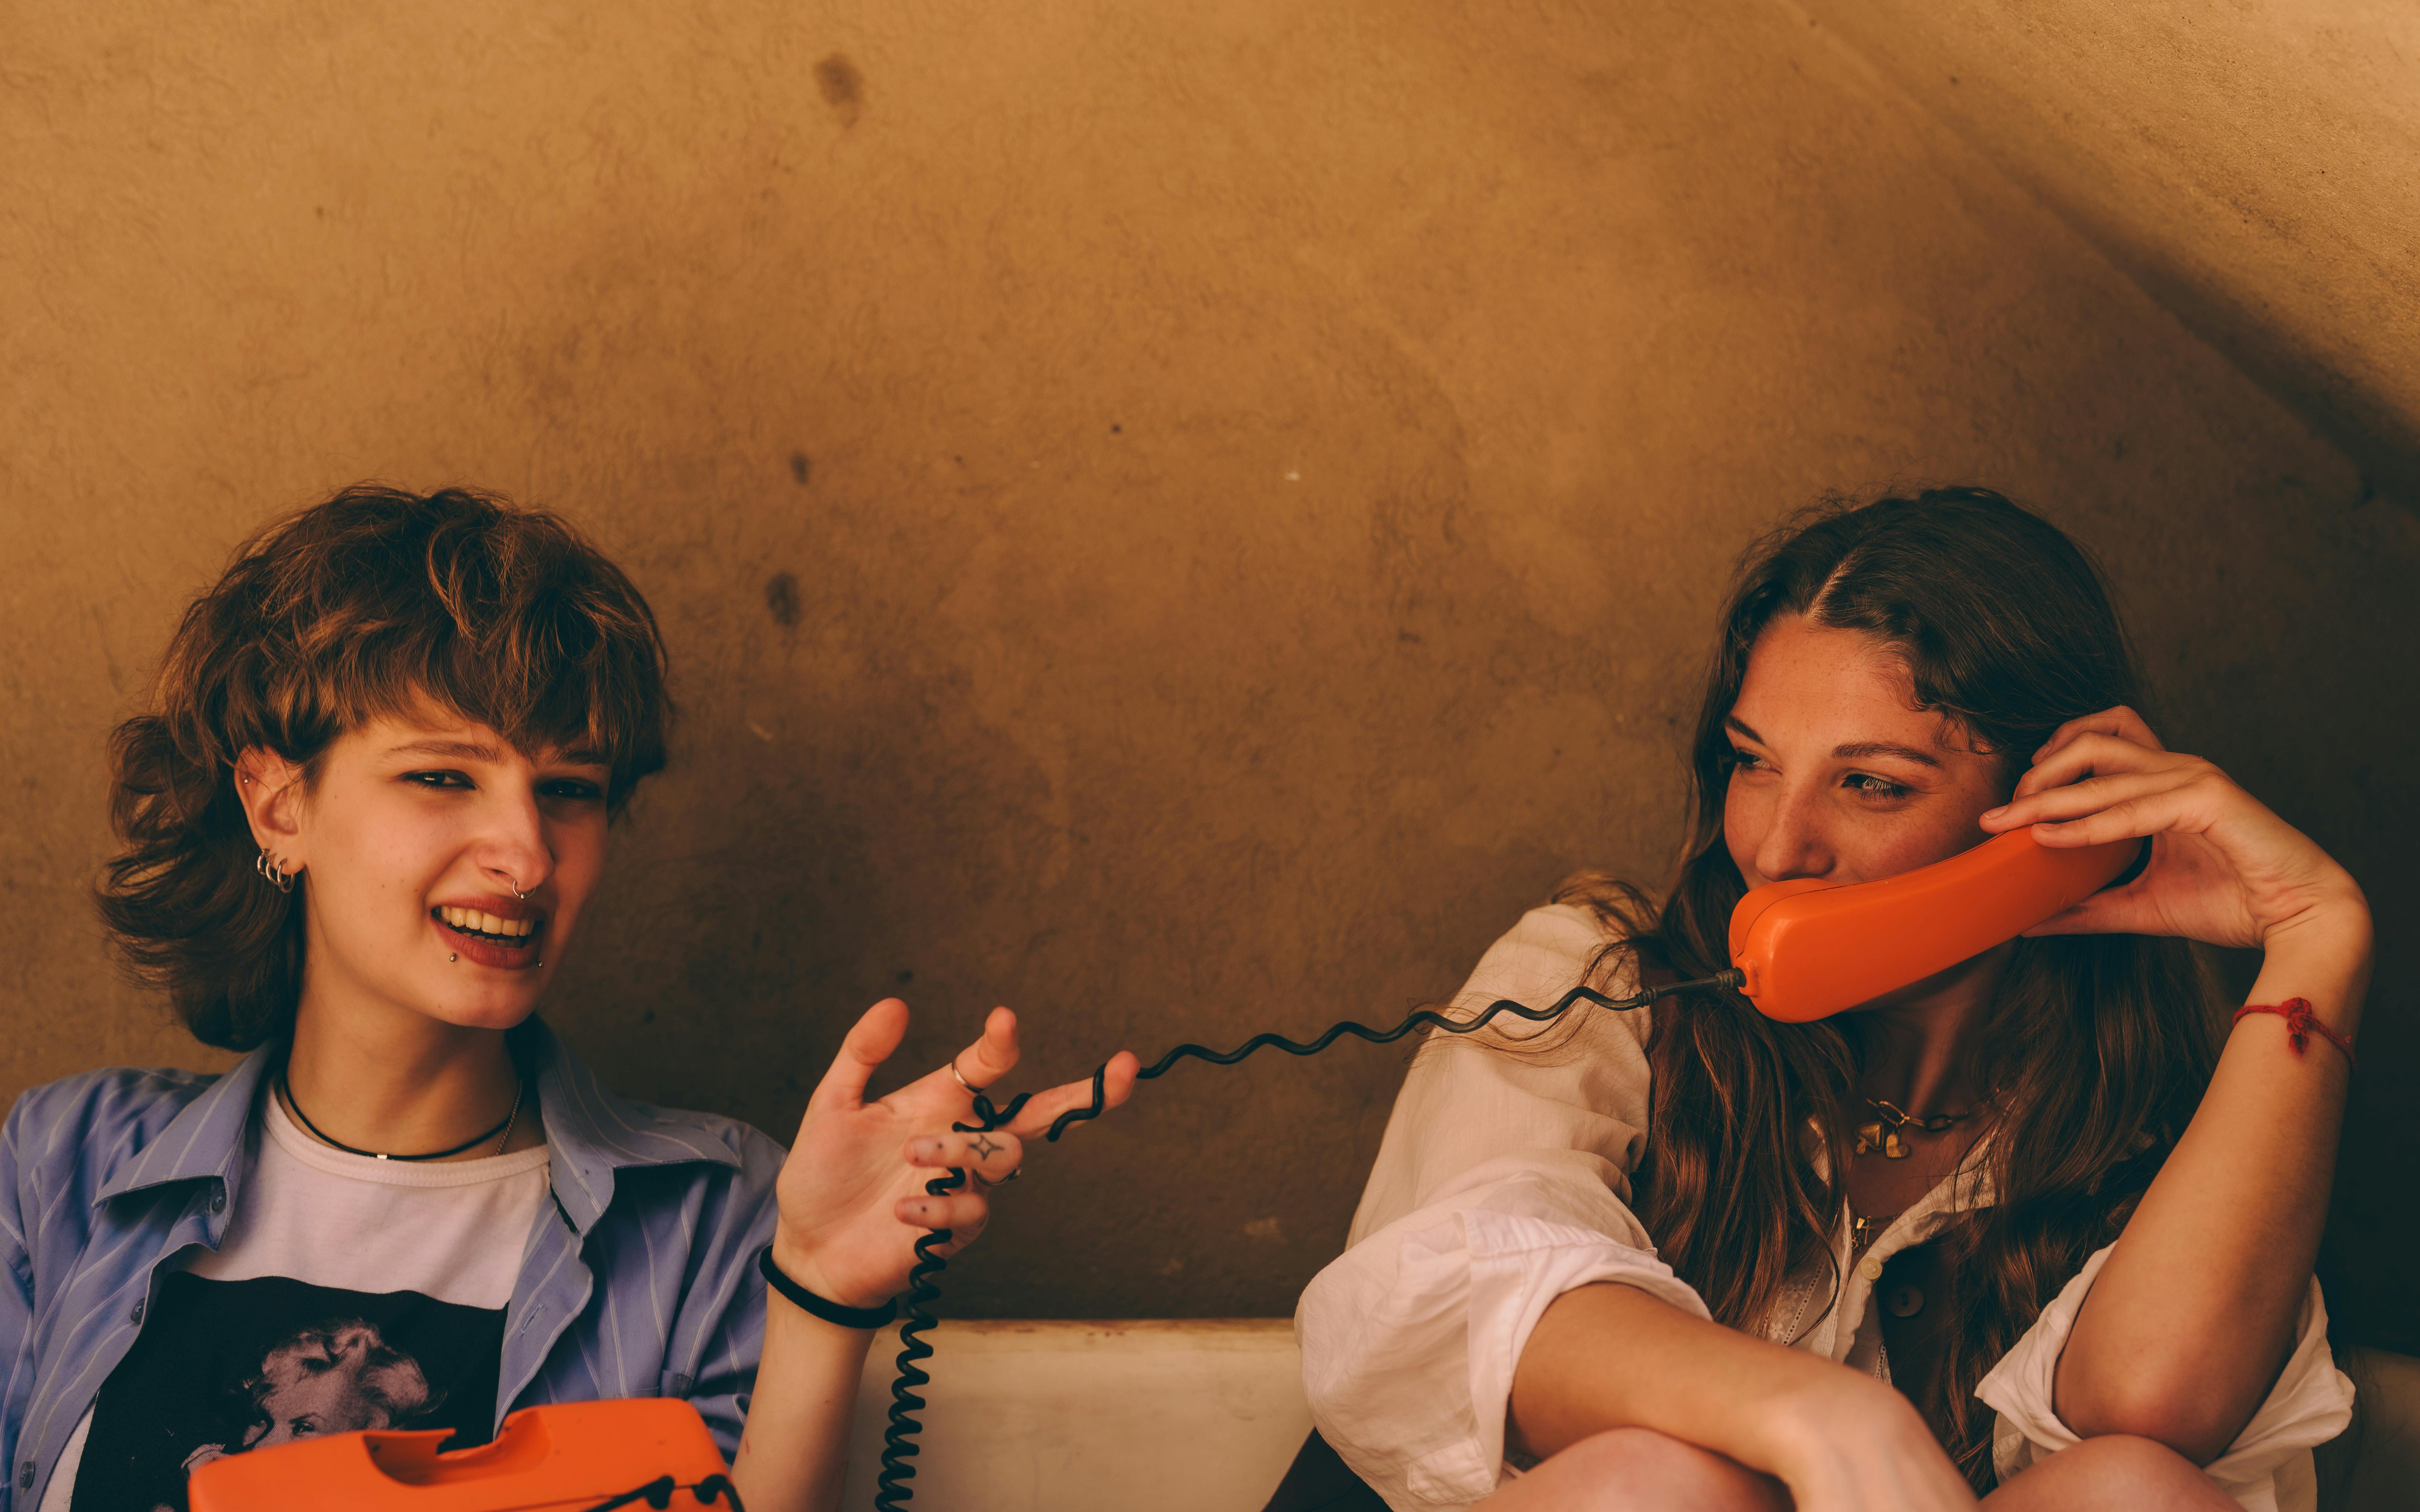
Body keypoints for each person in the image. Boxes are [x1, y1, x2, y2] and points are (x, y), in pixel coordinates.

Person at [0, 484, 1139, 1512]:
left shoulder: (717, 1216)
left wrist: (822, 1296)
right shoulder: (65, 1165)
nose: (529, 855)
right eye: (443, 775)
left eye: (569, 790)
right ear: (278, 804)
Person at [1296, 488, 2365, 1511]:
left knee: (2136, 1495)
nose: (1772, 846)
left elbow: (2155, 1405)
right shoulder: (1597, 979)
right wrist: (1829, 1420)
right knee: (1668, 1487)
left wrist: (2318, 939)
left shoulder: (2155, 1121)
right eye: (1752, 763)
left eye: (1871, 784)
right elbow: (1471, 1301)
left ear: (2054, 810)